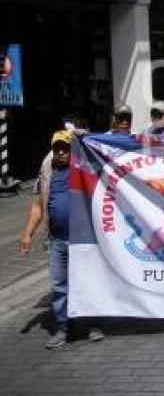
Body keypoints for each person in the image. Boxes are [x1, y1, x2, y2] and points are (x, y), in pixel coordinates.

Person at [19, 130, 105, 349]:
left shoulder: (84, 165)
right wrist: (28, 233)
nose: (61, 152)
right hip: (57, 240)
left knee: (86, 283)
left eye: (65, 148)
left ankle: (92, 324)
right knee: (59, 285)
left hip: (82, 240)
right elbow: (39, 204)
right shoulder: (48, 170)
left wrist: (87, 137)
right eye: (57, 148)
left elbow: (104, 155)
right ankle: (62, 329)